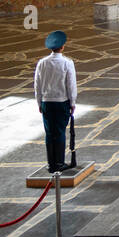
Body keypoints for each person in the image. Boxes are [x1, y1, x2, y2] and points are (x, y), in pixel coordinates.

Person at [34, 30, 77, 173]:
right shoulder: (67, 63)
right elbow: (71, 85)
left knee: (49, 133)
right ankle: (58, 163)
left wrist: (39, 102)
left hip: (47, 102)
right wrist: (72, 103)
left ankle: (50, 163)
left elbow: (37, 84)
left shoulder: (42, 63)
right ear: (63, 47)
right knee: (59, 132)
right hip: (61, 102)